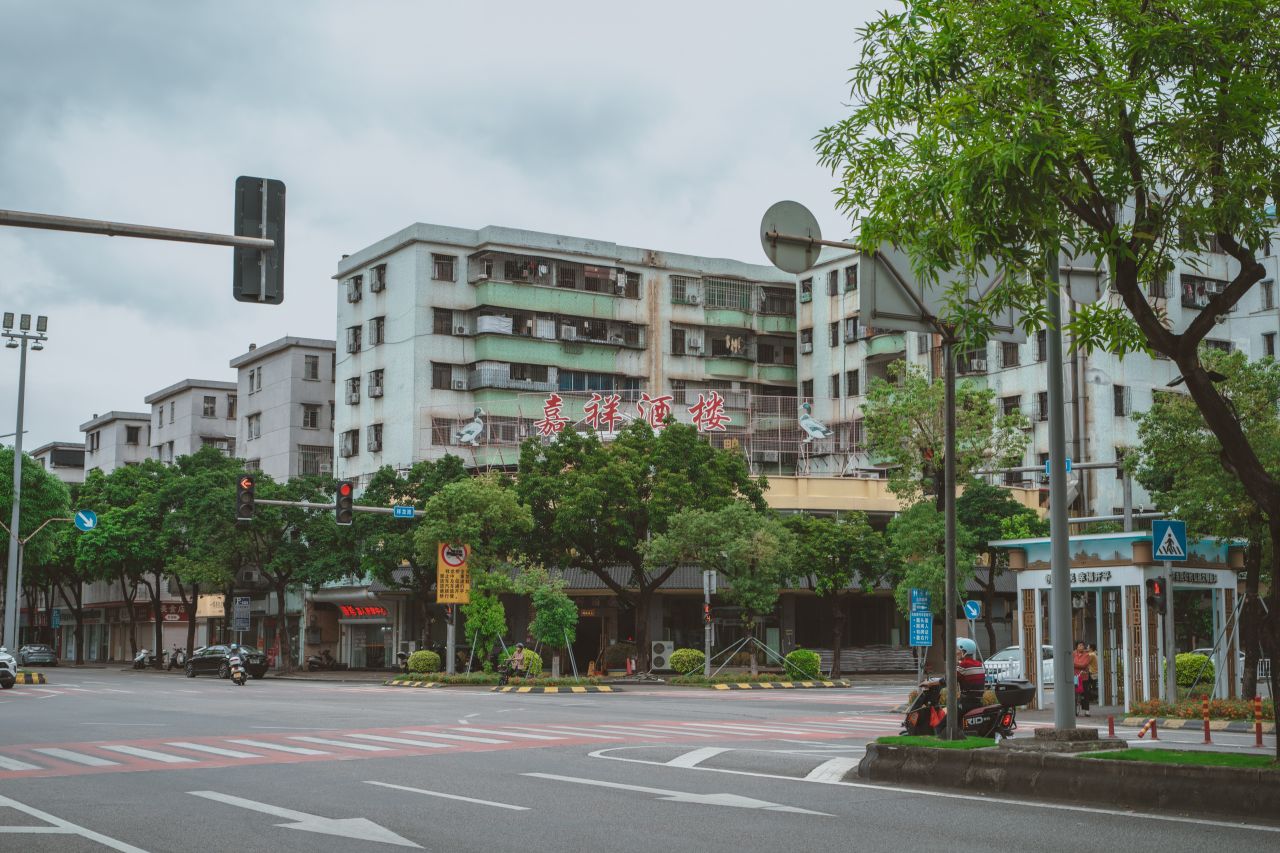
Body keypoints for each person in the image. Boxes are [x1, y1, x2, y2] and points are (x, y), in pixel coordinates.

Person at [956, 638, 985, 712]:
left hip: (966, 702)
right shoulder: (979, 664)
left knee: (946, 721)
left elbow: (949, 680)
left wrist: (930, 683)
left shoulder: (964, 665)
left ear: (964, 652)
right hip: (978, 701)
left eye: (959, 650)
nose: (957, 652)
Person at [1072, 641, 1091, 715]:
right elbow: (1071, 663)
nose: (1081, 647)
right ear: (1076, 647)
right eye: (1080, 645)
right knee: (1075, 694)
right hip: (1075, 677)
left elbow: (1085, 664)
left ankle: (1087, 710)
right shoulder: (1073, 654)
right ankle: (1075, 710)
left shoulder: (1086, 655)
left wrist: (1075, 665)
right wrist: (1080, 665)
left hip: (1084, 677)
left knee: (1085, 693)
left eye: (1082, 645)